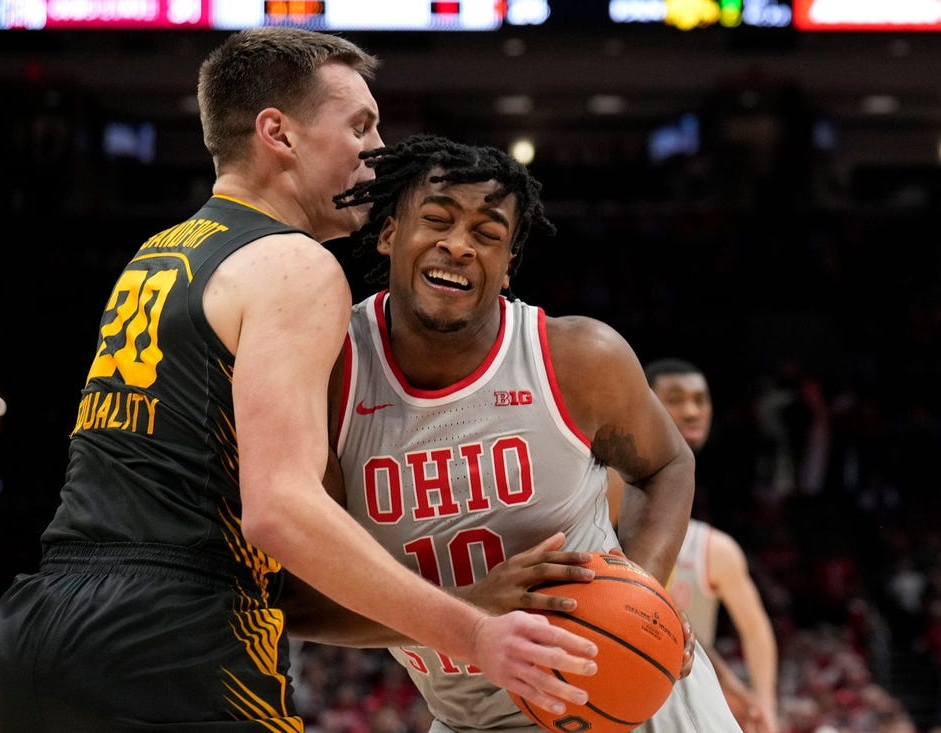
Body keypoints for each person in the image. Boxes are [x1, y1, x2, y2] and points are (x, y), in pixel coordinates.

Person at [0, 31, 599, 732]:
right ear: (277, 132)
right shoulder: (294, 263)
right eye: (360, 125)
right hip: (175, 633)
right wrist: (472, 633)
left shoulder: (158, 255)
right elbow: (278, 508)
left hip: (44, 625)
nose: (377, 149)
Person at [281, 134, 740, 733]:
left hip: (636, 705)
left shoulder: (576, 358)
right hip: (474, 720)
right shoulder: (329, 376)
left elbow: (667, 464)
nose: (458, 245)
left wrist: (639, 597)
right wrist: (469, 615)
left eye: (488, 234)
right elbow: (295, 599)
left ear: (508, 266)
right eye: (437, 220)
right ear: (389, 233)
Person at [612, 358, 780, 733]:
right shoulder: (613, 479)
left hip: (671, 692)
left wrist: (763, 702)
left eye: (700, 400)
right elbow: (638, 604)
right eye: (676, 398)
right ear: (645, 403)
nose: (691, 411)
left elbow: (754, 630)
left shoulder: (712, 545)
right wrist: (729, 681)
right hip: (612, 679)